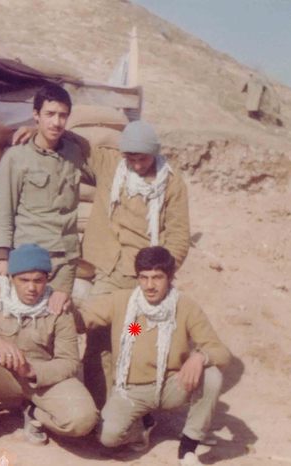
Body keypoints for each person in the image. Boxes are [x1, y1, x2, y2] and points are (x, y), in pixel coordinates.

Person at [77, 246, 231, 465]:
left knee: (212, 376)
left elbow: (220, 351)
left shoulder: (185, 306)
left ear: (170, 277)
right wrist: (63, 307)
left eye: (157, 277)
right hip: (131, 390)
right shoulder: (122, 301)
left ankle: (188, 447)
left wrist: (199, 357)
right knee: (107, 437)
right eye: (144, 277)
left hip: (171, 384)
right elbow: (83, 319)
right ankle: (142, 427)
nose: (150, 285)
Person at [0, 243, 98, 447]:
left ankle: (35, 412)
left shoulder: (59, 306)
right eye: (24, 280)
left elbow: (69, 362)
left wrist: (31, 371)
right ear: (11, 278)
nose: (31, 288)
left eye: (38, 280)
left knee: (83, 420)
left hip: (42, 382)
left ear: (47, 279)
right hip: (0, 375)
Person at [80, 120, 190, 410]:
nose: (137, 165)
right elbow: (74, 145)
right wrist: (35, 131)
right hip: (107, 272)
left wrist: (158, 276)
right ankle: (98, 408)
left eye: (143, 159)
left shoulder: (171, 184)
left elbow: (179, 237)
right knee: (98, 341)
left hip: (141, 279)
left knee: (132, 338)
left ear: (154, 153)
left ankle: (132, 409)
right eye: (131, 158)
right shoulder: (110, 165)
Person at [0, 84, 94, 314]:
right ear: (35, 115)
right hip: (30, 260)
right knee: (23, 321)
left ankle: (131, 332)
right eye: (50, 114)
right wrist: (2, 258)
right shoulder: (16, 157)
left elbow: (101, 169)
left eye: (63, 115)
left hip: (65, 261)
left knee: (59, 320)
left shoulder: (74, 154)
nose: (56, 122)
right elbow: (4, 211)